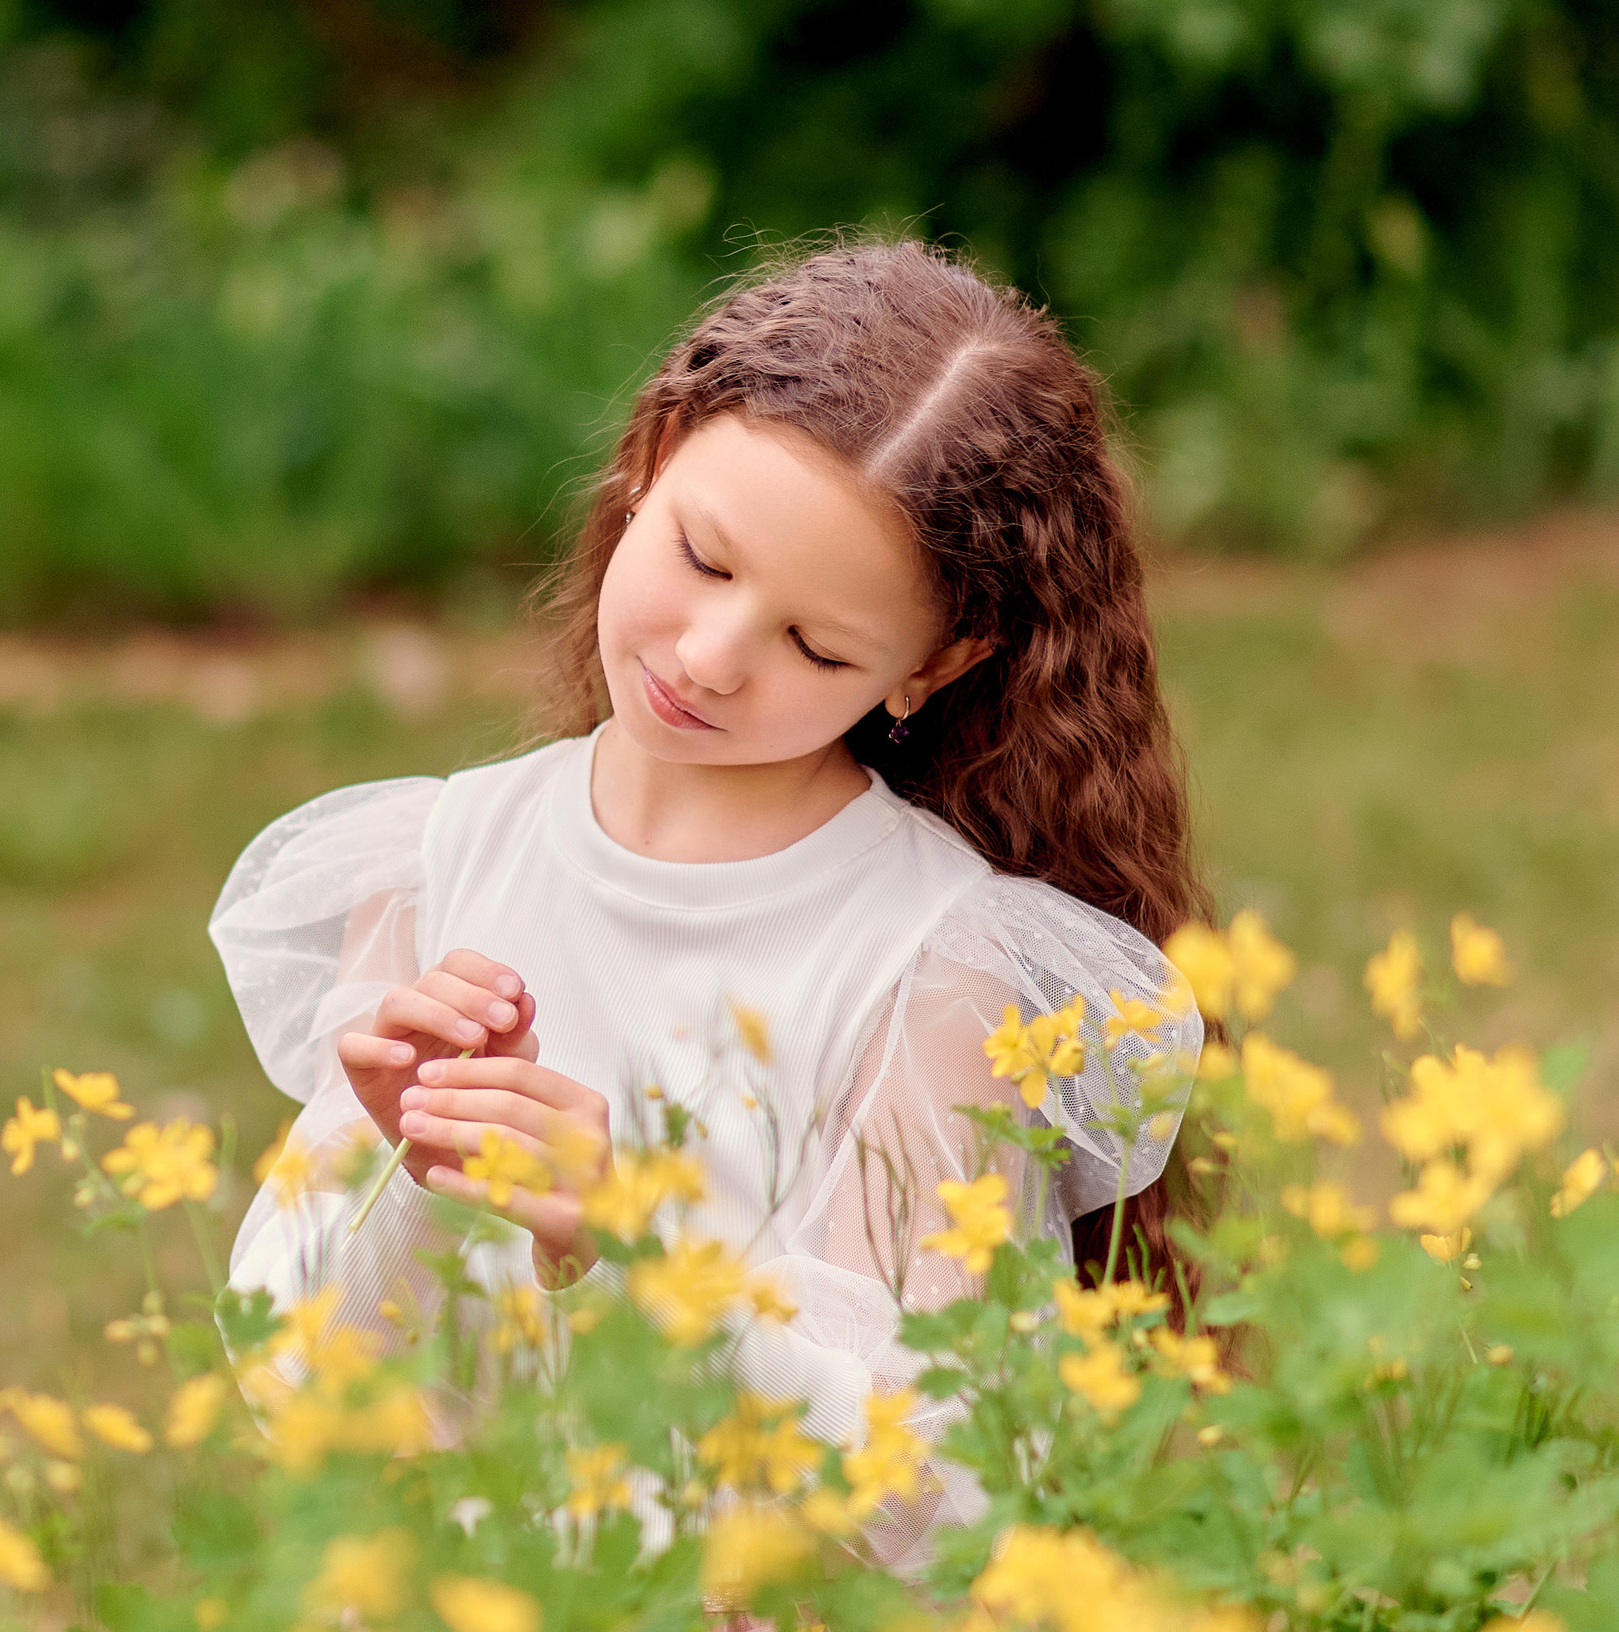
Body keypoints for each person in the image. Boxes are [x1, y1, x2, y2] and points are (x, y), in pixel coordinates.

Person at [210, 239, 1208, 1548]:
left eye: (815, 643)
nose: (709, 655)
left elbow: (937, 1490)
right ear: (652, 456)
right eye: (704, 556)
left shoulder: (937, 970)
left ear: (933, 665)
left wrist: (641, 1252)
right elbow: (302, 1383)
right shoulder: (438, 866)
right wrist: (411, 1172)